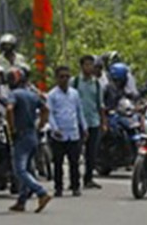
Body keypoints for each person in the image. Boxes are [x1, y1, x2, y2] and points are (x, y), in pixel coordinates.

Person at [5, 68, 52, 213]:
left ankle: (41, 192)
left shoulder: (14, 94)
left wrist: (12, 128)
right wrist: (40, 125)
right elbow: (46, 109)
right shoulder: (32, 94)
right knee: (29, 169)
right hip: (33, 135)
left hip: (21, 135)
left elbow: (9, 109)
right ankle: (21, 201)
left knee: (20, 170)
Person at [47, 66, 86, 197]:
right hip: (59, 133)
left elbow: (79, 111)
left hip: (73, 132)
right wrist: (55, 128)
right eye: (61, 76)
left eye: (67, 76)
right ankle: (58, 188)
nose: (64, 79)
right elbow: (50, 113)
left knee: (74, 162)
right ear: (56, 78)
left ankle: (75, 186)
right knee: (58, 163)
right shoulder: (52, 95)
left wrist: (84, 127)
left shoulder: (74, 93)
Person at [73, 55, 106, 190]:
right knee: (75, 152)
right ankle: (74, 180)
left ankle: (89, 178)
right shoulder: (74, 82)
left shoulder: (97, 84)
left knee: (91, 153)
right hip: (78, 122)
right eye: (86, 65)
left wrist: (103, 122)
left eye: (91, 65)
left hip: (93, 121)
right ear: (81, 66)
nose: (89, 68)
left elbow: (100, 105)